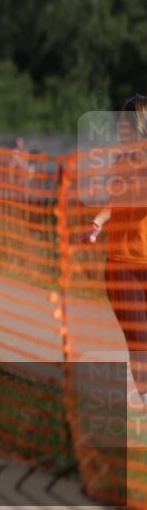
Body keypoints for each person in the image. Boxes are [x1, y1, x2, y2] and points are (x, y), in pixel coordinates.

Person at [85, 94, 147, 400]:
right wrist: (97, 223)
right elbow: (116, 203)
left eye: (126, 125)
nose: (121, 130)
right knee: (139, 338)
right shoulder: (122, 163)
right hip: (122, 264)